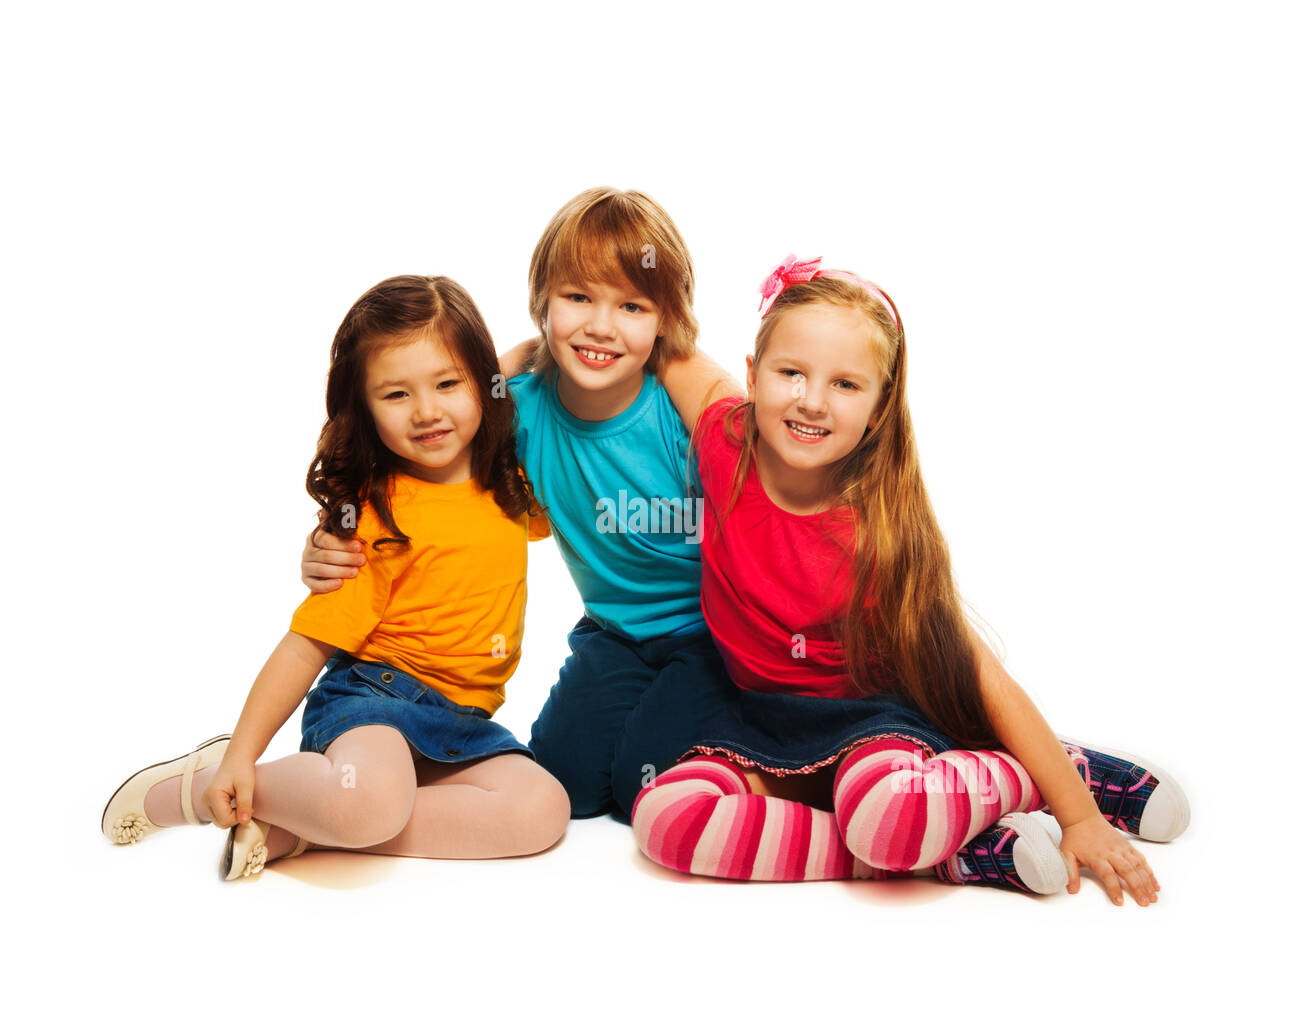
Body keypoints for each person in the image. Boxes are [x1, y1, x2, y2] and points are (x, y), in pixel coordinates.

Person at [633, 257, 1189, 903]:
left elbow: (981, 675)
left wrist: (1079, 818)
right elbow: (664, 345)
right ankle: (952, 856)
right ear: (754, 376)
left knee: (885, 814)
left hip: (873, 723)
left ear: (878, 409)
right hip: (758, 719)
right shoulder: (723, 435)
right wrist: (528, 357)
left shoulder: (877, 536)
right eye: (791, 373)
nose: (811, 400)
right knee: (667, 818)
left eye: (845, 384)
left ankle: (1048, 775)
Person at [101, 275, 569, 879]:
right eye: (396, 395)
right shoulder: (375, 519)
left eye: (448, 384)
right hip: (374, 702)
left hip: (460, 721)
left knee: (542, 810)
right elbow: (307, 645)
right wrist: (246, 750)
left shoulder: (510, 484)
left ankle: (298, 833)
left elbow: (510, 371)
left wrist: (554, 340)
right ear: (364, 409)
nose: (428, 411)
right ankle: (206, 785)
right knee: (367, 801)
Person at [302, 188, 741, 821]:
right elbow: (424, 437)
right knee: (570, 788)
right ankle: (362, 807)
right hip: (613, 636)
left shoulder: (679, 407)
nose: (600, 325)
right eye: (578, 297)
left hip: (709, 634)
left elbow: (761, 475)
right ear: (542, 304)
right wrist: (333, 530)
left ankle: (743, 749)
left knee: (640, 790)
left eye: (632, 305)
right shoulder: (518, 408)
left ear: (664, 320)